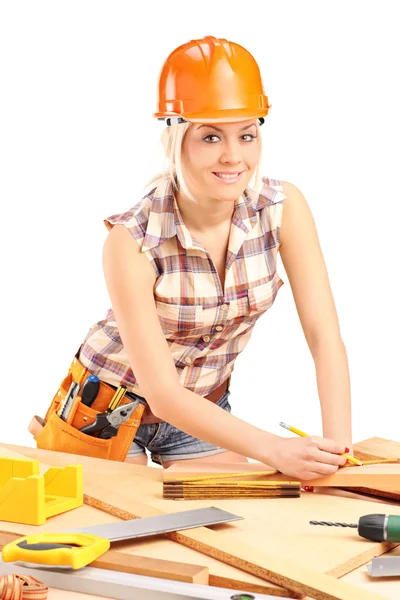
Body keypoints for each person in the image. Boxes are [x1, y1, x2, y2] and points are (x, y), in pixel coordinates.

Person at [39, 36, 353, 479]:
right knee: (120, 538)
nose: (233, 156)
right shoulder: (131, 241)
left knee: (237, 532)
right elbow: (163, 393)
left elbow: (325, 338)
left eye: (247, 135)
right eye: (210, 137)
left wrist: (338, 454)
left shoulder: (283, 208)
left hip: (206, 411)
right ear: (176, 140)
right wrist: (274, 450)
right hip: (105, 413)